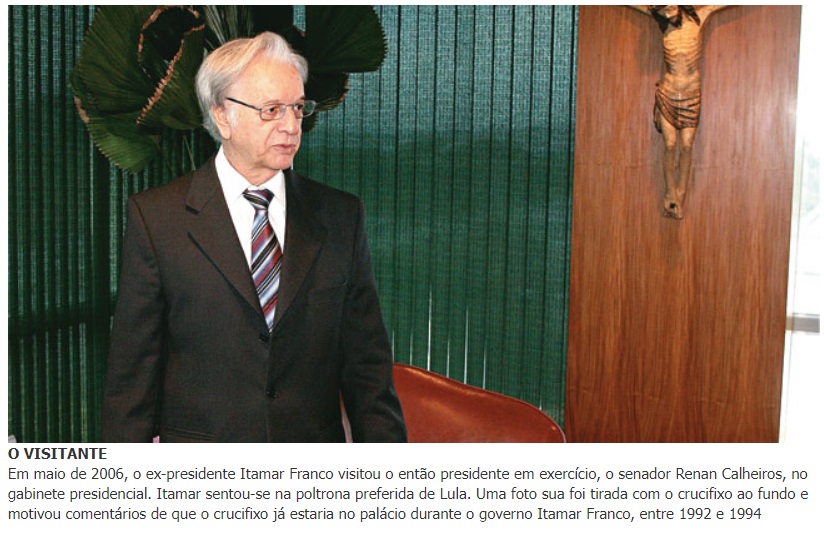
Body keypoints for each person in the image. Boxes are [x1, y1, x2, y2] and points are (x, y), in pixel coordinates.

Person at [101, 32, 407, 442]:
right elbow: (131, 380)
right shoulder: (158, 219)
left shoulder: (339, 217)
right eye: (272, 110)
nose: (291, 125)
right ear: (223, 116)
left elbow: (368, 372)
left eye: (297, 108)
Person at [631, 5, 727, 219]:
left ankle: (680, 192)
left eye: (668, 7)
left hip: (691, 95)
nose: (667, 13)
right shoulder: (664, 26)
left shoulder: (698, 19)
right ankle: (669, 191)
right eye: (663, 11)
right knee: (670, 143)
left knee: (686, 144)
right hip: (668, 93)